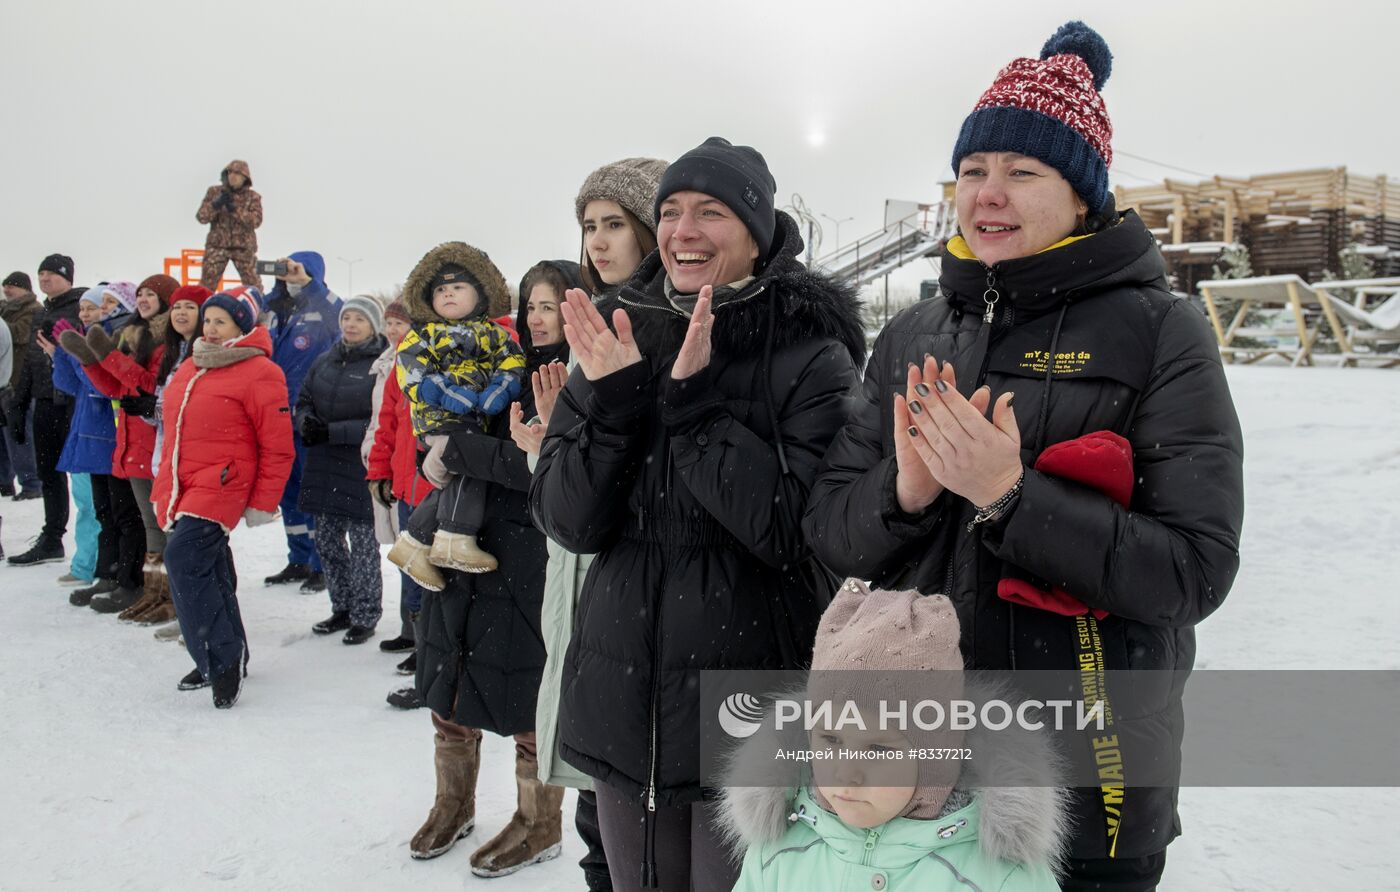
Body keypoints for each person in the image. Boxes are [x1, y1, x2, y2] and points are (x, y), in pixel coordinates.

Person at [802, 23, 1245, 892]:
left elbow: (1192, 571)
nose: (987, 194)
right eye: (972, 172)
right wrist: (905, 492)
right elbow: (831, 535)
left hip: (1081, 778)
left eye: (1022, 172)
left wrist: (1010, 496)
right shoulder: (912, 334)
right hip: (910, 786)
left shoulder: (1162, 333)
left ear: (1083, 195)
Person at [528, 137, 866, 892]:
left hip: (746, 704)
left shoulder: (811, 351)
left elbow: (796, 532)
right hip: (622, 687)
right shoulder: (618, 333)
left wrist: (696, 408)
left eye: (711, 211)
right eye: (672, 210)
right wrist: (615, 408)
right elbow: (567, 522)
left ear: (757, 232)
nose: (684, 229)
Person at [722, 581, 1066, 892]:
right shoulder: (778, 857)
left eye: (876, 749)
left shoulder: (998, 878)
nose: (846, 773)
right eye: (831, 740)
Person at [399, 242, 563, 879]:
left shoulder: (583, 373)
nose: (539, 317)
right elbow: (435, 426)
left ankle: (538, 821)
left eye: (551, 305)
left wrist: (466, 452)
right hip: (460, 539)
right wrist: (433, 454)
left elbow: (557, 473)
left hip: (528, 550)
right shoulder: (501, 359)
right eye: (531, 306)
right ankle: (452, 802)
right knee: (452, 675)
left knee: (524, 693)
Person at [523, 156, 665, 892]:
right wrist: (551, 443)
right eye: (589, 226)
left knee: (634, 823)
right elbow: (573, 491)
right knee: (596, 816)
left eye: (615, 224)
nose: (599, 242)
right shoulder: (590, 329)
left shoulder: (655, 329)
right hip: (578, 579)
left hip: (629, 590)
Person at [154, 286, 294, 708]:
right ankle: (220, 653)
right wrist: (165, 483)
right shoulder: (190, 365)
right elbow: (174, 433)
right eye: (208, 320)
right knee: (210, 567)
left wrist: (264, 500)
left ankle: (221, 657)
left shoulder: (260, 371)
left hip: (224, 482)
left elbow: (277, 444)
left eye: (221, 322)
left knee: (184, 559)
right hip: (185, 481)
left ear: (241, 327)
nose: (211, 329)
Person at [386, 246, 525, 581]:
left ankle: (416, 540)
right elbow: (412, 371)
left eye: (457, 287)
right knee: (470, 468)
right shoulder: (424, 334)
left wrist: (500, 389)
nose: (447, 293)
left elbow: (512, 362)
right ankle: (454, 535)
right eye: (440, 289)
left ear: (479, 295)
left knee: (460, 472)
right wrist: (446, 393)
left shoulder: (495, 334)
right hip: (439, 417)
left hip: (476, 416)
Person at [66, 274, 180, 621]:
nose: (144, 299)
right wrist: (92, 361)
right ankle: (151, 590)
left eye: (151, 294)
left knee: (156, 525)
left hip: (152, 445)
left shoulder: (165, 344)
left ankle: (166, 594)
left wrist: (110, 357)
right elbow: (118, 389)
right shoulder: (134, 335)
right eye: (141, 294)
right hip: (129, 443)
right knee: (137, 523)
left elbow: (149, 386)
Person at [295, 296, 387, 644]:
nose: (350, 324)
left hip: (359, 464)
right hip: (322, 463)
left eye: (359, 319)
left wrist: (333, 431)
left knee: (364, 546)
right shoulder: (324, 360)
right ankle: (341, 607)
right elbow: (303, 400)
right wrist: (305, 422)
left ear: (372, 326)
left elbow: (379, 420)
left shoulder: (380, 365)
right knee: (329, 543)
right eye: (346, 317)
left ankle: (365, 614)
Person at [260, 251, 341, 593]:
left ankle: (322, 564)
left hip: (310, 414)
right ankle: (300, 558)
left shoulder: (324, 308)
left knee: (315, 493)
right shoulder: (272, 308)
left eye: (298, 270)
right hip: (274, 414)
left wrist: (309, 284)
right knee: (288, 491)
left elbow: (342, 312)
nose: (289, 275)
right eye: (286, 269)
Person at [366, 297, 435, 701]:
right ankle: (415, 639)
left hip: (435, 488)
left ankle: (431, 658)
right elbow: (387, 423)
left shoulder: (452, 354)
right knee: (409, 567)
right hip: (406, 485)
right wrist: (379, 471)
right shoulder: (403, 362)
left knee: (432, 577)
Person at [46, 284, 131, 607]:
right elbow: (68, 384)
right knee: (101, 511)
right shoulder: (90, 340)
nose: (87, 313)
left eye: (93, 307)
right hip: (89, 434)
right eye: (82, 309)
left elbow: (102, 385)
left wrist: (79, 354)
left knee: (119, 514)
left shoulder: (112, 339)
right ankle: (105, 573)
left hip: (108, 436)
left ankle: (123, 576)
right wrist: (64, 356)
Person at [7, 254, 85, 566]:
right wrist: (18, 404)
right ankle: (52, 537)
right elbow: (29, 363)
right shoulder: (43, 311)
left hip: (73, 401)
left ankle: (96, 547)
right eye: (41, 274)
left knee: (86, 478)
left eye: (51, 274)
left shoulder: (79, 307)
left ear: (67, 277)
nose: (44, 279)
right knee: (49, 471)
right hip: (44, 401)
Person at [144, 284, 211, 633]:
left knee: (195, 548)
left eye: (190, 307)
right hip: (166, 455)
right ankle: (187, 615)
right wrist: (147, 409)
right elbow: (164, 406)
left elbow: (188, 407)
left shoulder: (204, 352)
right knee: (175, 541)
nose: (181, 313)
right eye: (177, 307)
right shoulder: (171, 351)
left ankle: (201, 621)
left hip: (193, 460)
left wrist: (153, 407)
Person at [575, 158, 667, 296]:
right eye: (590, 228)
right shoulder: (590, 313)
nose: (596, 243)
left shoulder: (694, 314)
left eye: (615, 225)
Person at [0, 271, 42, 499]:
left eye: (12, 286)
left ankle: (31, 483)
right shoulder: (5, 310)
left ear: (24, 288)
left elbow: (19, 334)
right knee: (3, 436)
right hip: (4, 383)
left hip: (20, 384)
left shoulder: (33, 310)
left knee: (18, 436)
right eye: (5, 286)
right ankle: (4, 482)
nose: (7, 290)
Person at [196, 160, 262, 291]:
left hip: (243, 247)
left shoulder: (252, 197)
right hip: (217, 246)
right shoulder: (214, 192)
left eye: (237, 173)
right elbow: (201, 217)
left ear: (245, 177)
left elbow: (256, 221)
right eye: (230, 172)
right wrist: (216, 205)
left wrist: (235, 209)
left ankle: (259, 310)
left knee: (254, 285)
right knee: (206, 285)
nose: (232, 176)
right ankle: (202, 309)